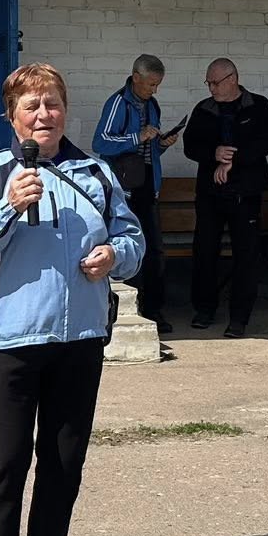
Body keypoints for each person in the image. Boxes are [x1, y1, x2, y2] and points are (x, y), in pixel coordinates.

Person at [0, 63, 145, 536]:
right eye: (30, 105)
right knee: (5, 462)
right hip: (8, 339)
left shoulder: (97, 172)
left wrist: (115, 256)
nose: (43, 114)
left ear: (65, 110)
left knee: (62, 462)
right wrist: (7, 206)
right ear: (11, 115)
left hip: (80, 339)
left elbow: (132, 237)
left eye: (52, 103)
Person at [182, 58, 268, 338]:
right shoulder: (204, 109)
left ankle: (239, 317)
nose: (211, 88)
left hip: (245, 192)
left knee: (246, 255)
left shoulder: (258, 105)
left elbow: (266, 142)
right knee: (205, 251)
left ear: (232, 79)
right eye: (208, 83)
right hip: (210, 193)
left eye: (216, 82)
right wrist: (214, 154)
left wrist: (233, 160)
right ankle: (204, 309)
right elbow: (190, 146)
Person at [93, 55, 178, 333]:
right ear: (136, 77)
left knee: (155, 250)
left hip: (147, 185)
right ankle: (130, 310)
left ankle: (154, 311)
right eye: (151, 84)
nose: (154, 90)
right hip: (124, 189)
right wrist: (136, 137)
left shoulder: (152, 105)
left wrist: (162, 143)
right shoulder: (118, 103)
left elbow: (149, 151)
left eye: (158, 84)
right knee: (128, 248)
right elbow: (100, 142)